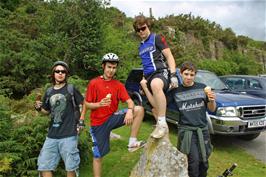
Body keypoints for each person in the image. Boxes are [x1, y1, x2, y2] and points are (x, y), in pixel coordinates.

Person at [141, 61, 216, 177]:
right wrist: (145, 88)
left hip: (203, 131)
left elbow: (211, 109)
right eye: (186, 74)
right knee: (193, 164)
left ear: (195, 75)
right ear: (180, 74)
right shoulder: (175, 91)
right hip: (187, 132)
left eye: (191, 75)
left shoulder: (202, 88)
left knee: (204, 163)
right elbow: (157, 105)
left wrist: (212, 100)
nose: (189, 77)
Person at [84, 53, 145, 177]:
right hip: (98, 124)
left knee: (138, 110)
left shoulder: (118, 85)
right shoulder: (94, 83)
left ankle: (132, 143)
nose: (111, 70)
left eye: (114, 67)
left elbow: (129, 101)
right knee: (98, 156)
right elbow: (87, 104)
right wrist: (99, 104)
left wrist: (129, 110)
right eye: (109, 67)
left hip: (112, 118)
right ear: (103, 66)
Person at [34, 61, 85, 177]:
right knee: (43, 166)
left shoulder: (71, 89)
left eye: (63, 71)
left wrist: (81, 121)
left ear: (66, 74)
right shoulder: (49, 92)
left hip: (69, 134)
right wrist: (38, 108)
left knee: (71, 167)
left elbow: (84, 104)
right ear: (53, 74)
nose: (60, 73)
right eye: (57, 71)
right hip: (52, 135)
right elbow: (46, 111)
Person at [133, 15, 178, 139]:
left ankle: (162, 123)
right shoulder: (140, 46)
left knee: (155, 85)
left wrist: (173, 75)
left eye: (143, 28)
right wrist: (143, 80)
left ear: (148, 26)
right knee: (154, 108)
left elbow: (169, 56)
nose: (141, 31)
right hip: (148, 76)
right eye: (138, 30)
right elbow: (145, 64)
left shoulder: (156, 38)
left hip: (160, 72)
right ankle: (162, 129)